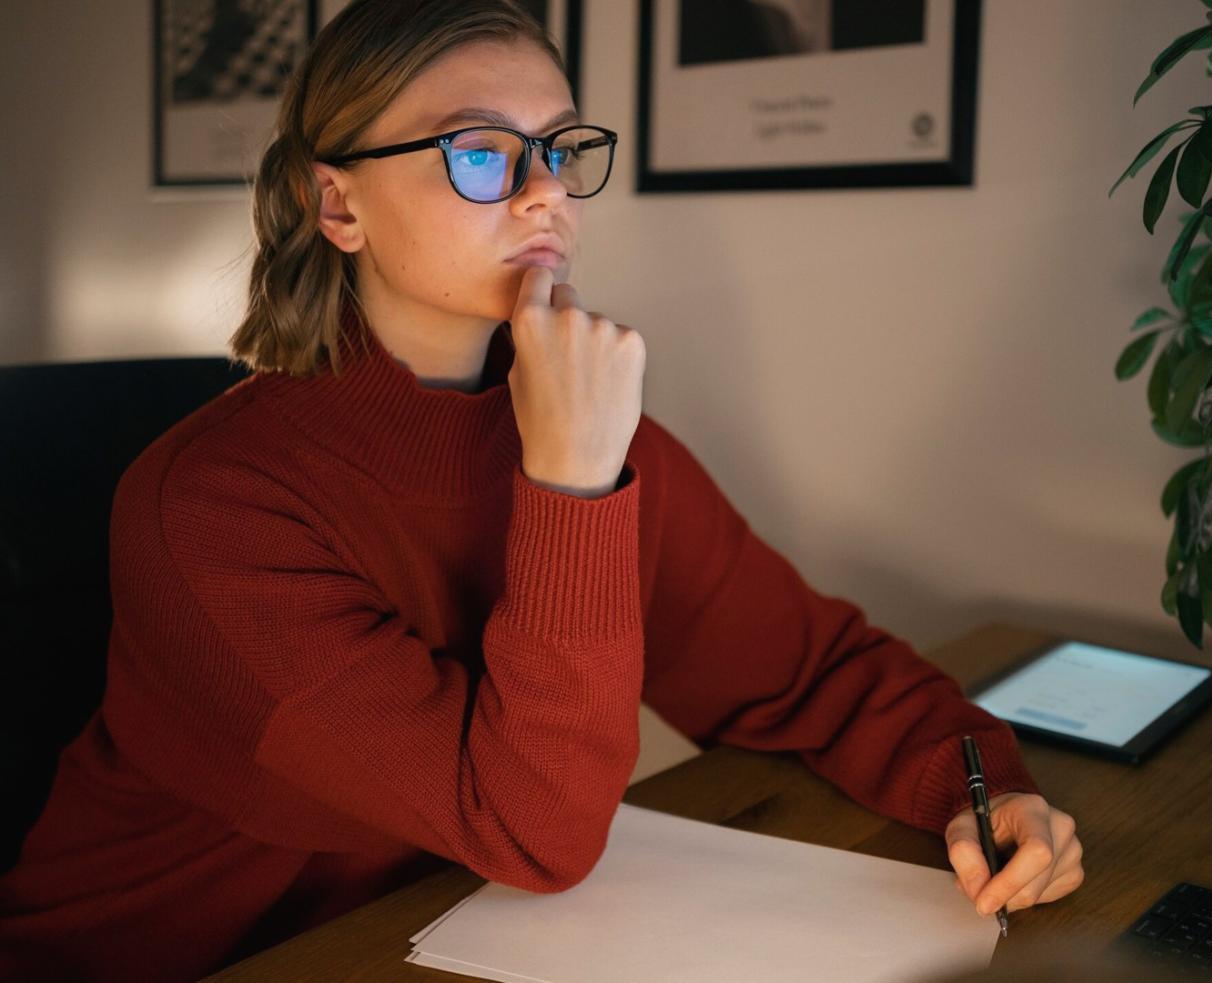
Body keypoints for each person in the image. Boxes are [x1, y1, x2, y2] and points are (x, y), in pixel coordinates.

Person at [0, 1, 1083, 979]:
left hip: (433, 931)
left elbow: (799, 668)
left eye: (560, 148)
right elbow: (535, 833)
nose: (545, 192)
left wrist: (980, 786)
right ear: (336, 204)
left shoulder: (583, 428)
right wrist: (569, 482)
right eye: (480, 153)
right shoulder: (210, 506)